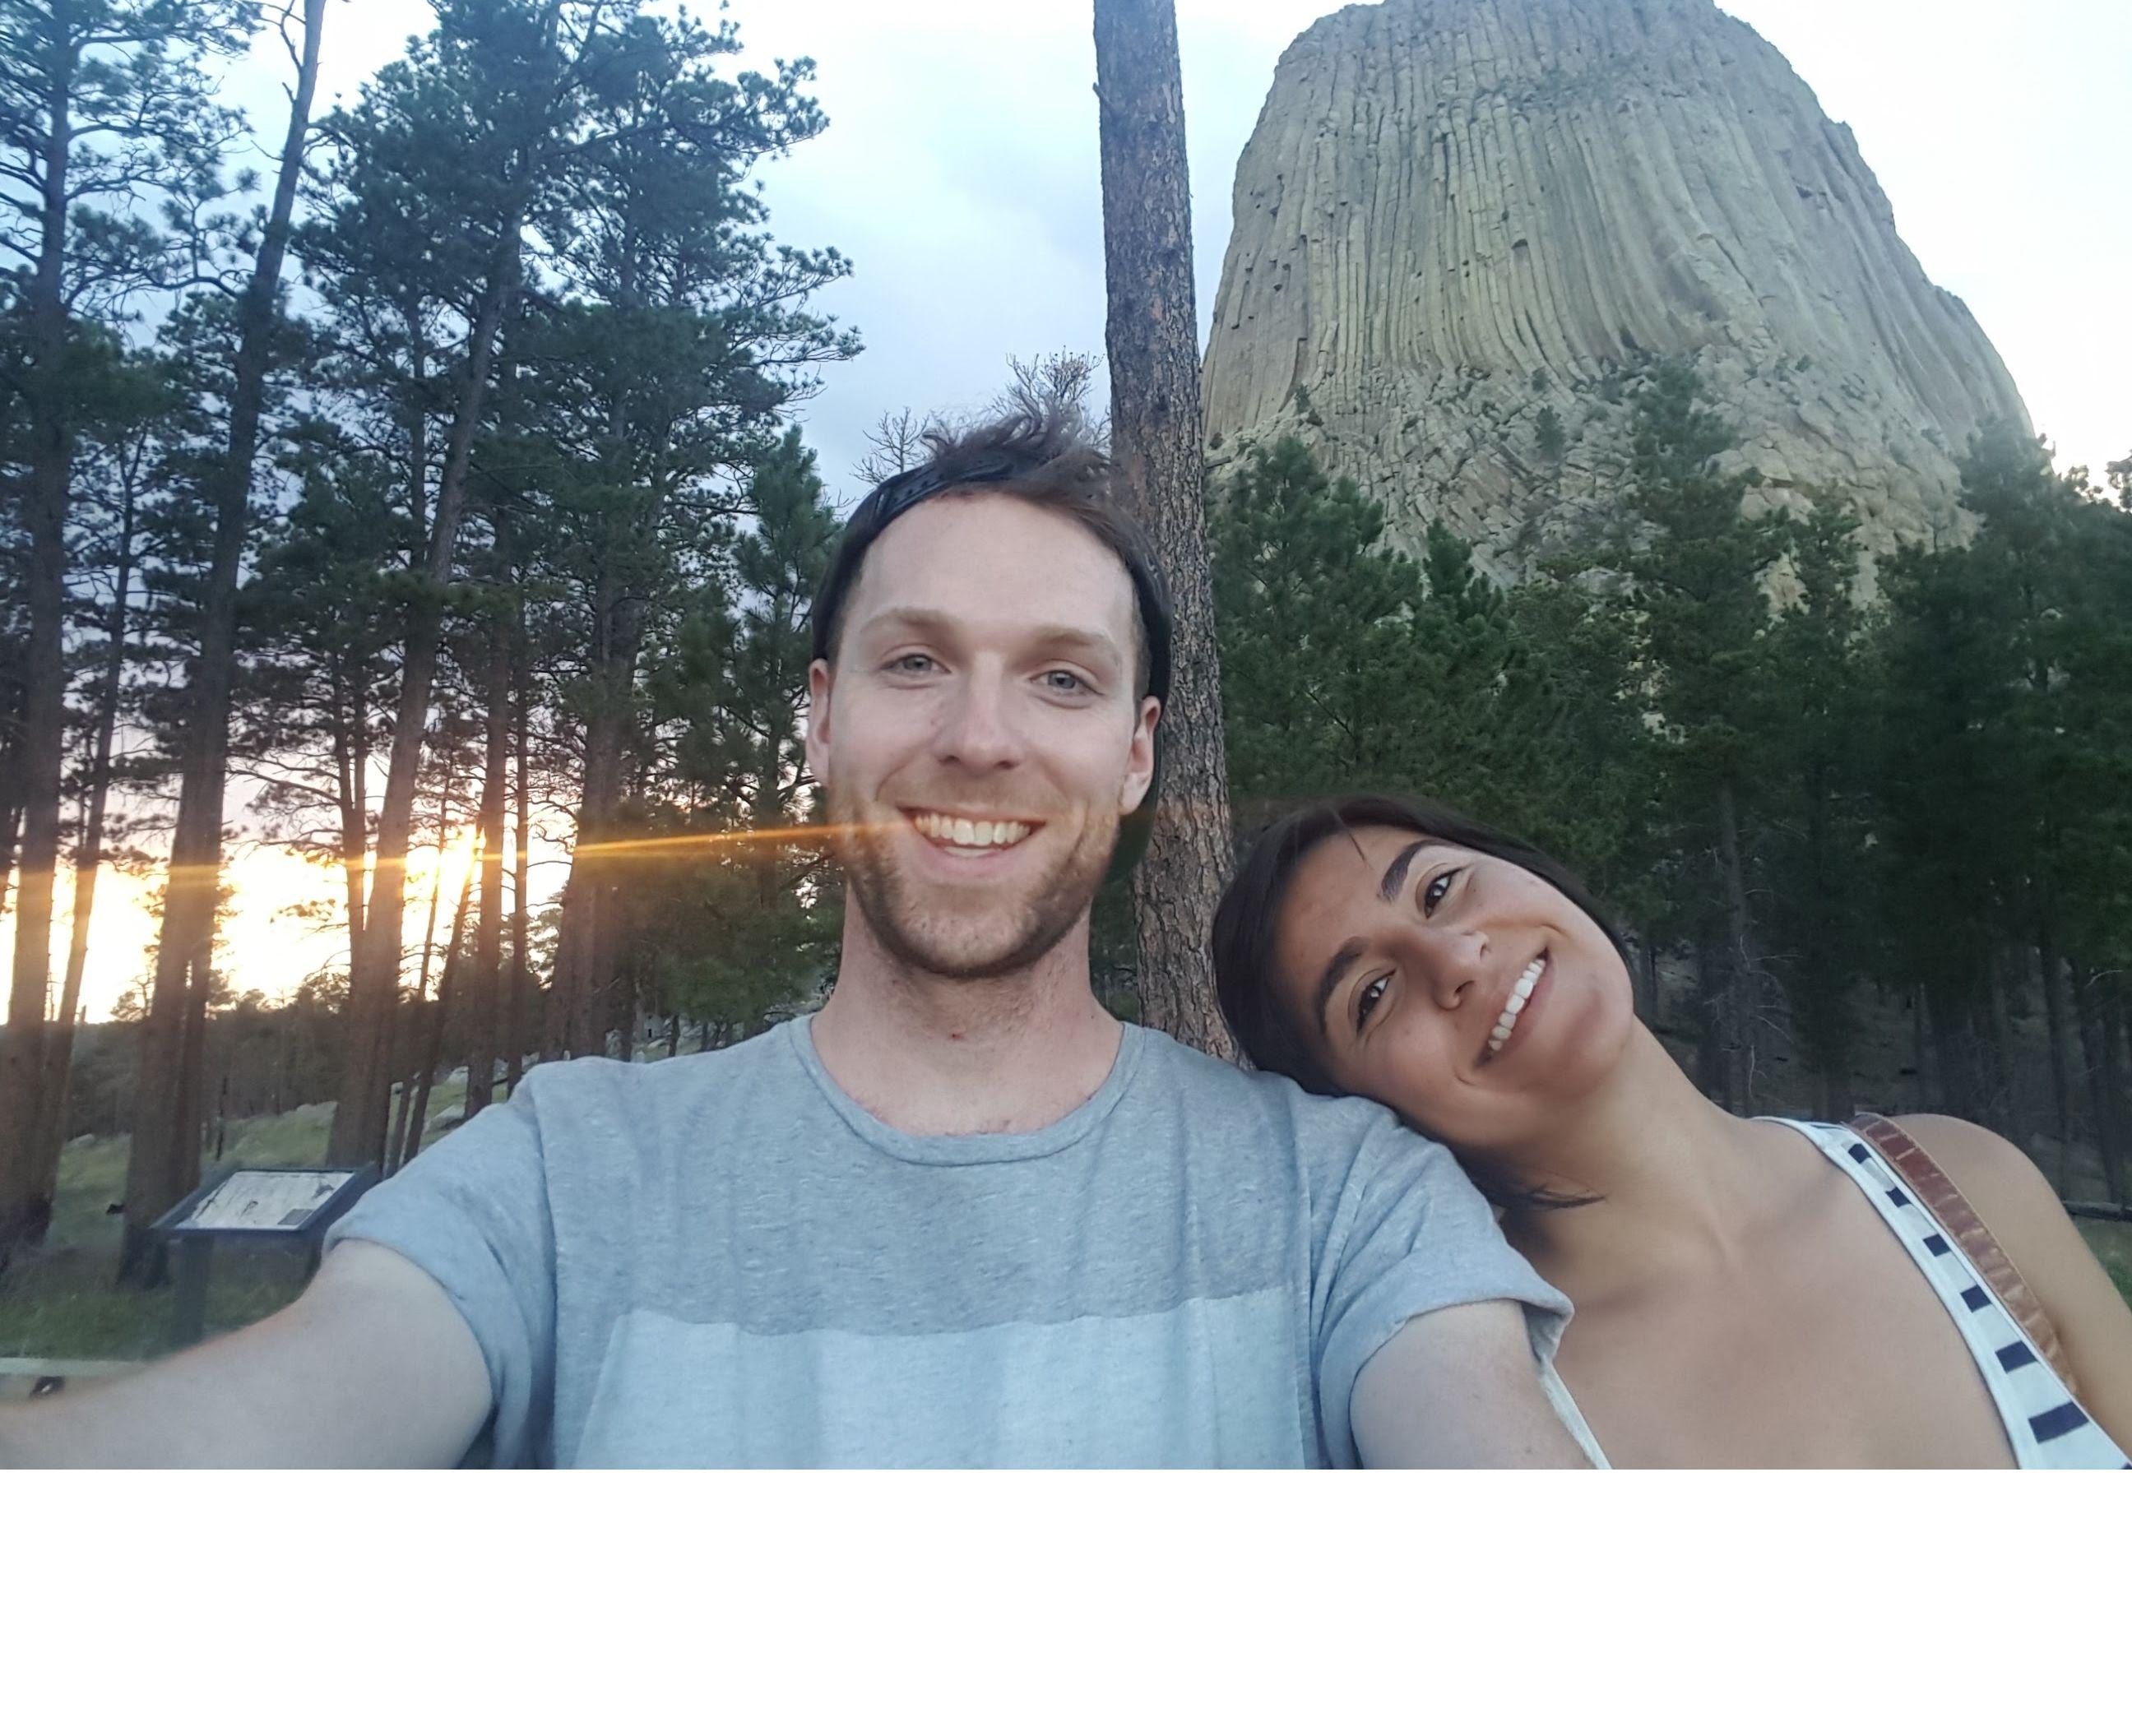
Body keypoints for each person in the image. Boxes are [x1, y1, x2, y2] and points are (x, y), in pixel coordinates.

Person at [0, 410, 1582, 1470]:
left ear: (1140, 753)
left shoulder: (1340, 1201)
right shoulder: (570, 1172)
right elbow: (288, 1408)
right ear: (818, 719)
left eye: (1059, 678)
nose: (980, 738)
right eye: (913, 662)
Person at [1211, 792, 2132, 1468]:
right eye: (1372, 996)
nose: (1453, 958)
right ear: (1361, 1112)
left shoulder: (1961, 1180)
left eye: (1442, 888)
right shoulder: (1485, 1409)